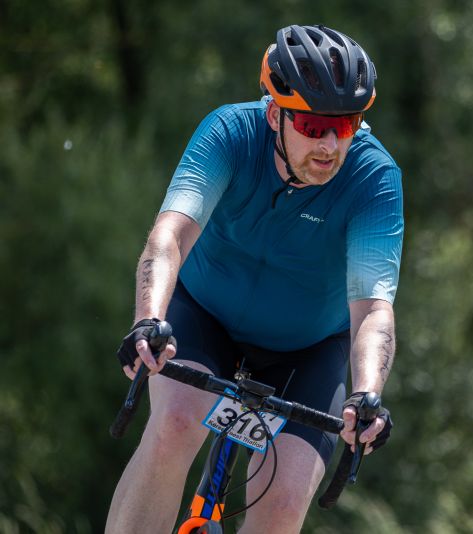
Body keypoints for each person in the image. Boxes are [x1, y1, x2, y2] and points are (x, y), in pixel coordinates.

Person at [105, 24, 403, 534]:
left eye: (346, 125)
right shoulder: (230, 133)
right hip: (205, 317)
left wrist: (367, 394)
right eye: (312, 126)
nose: (330, 145)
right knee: (173, 428)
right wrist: (147, 320)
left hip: (308, 349)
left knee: (286, 500)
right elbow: (170, 236)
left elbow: (373, 308)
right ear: (274, 114)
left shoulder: (373, 178)